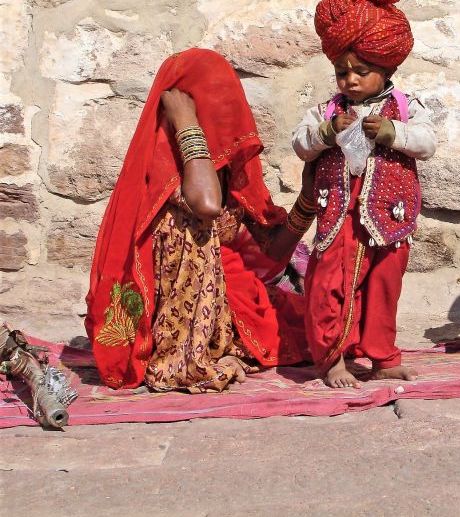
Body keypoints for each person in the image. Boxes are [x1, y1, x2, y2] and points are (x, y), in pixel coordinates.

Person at [86, 48, 316, 392]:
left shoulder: (222, 168)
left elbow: (267, 256)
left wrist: (308, 200)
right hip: (176, 313)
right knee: (195, 233)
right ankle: (201, 351)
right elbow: (206, 205)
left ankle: (228, 341)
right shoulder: (168, 170)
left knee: (326, 324)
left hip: (229, 293)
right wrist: (187, 124)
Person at [292, 0, 436, 388]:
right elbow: (301, 145)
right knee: (329, 286)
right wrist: (326, 133)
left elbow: (427, 143)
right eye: (343, 71)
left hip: (389, 219)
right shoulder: (326, 111)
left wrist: (394, 134)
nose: (350, 79)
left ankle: (382, 356)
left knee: (383, 287)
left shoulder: (408, 108)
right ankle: (333, 358)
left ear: (387, 68)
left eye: (362, 70)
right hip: (339, 217)